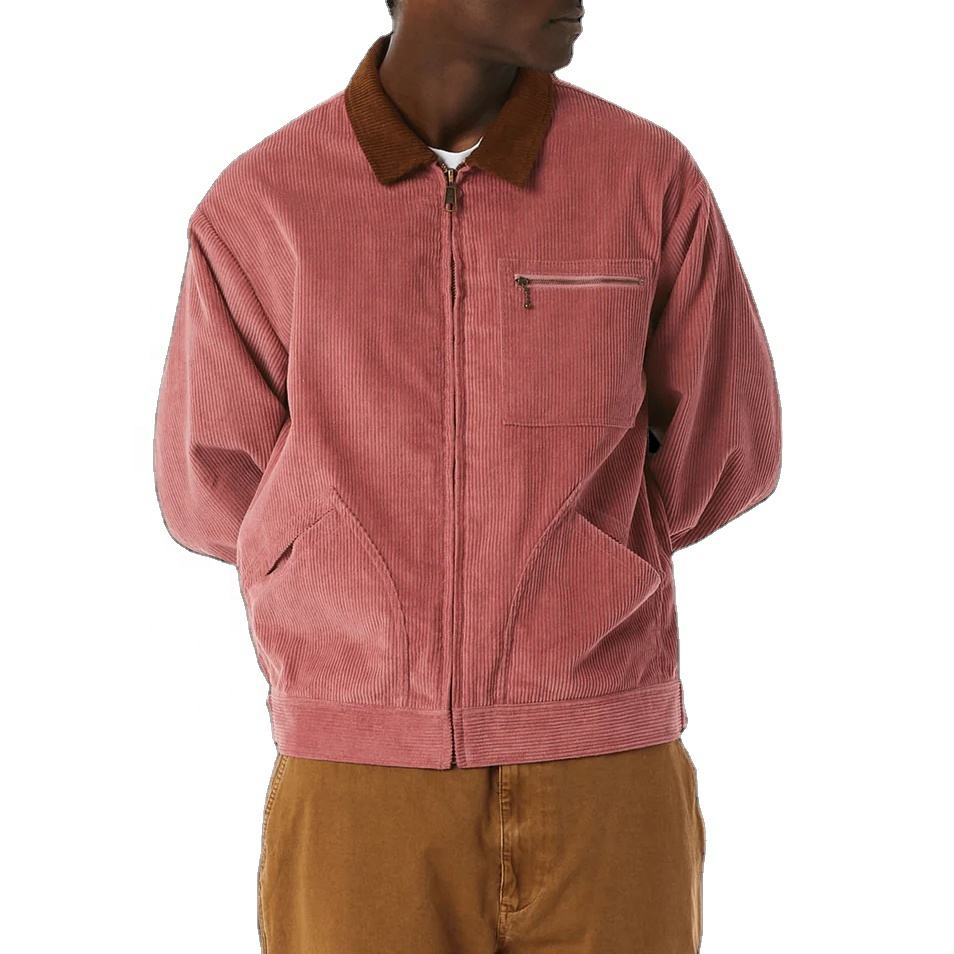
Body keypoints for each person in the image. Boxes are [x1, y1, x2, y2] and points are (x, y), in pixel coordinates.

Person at [153, 1, 782, 951]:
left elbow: (726, 447)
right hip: (361, 780)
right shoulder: (265, 202)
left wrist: (588, 560)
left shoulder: (643, 175)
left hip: (606, 764)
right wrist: (340, 574)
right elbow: (211, 486)